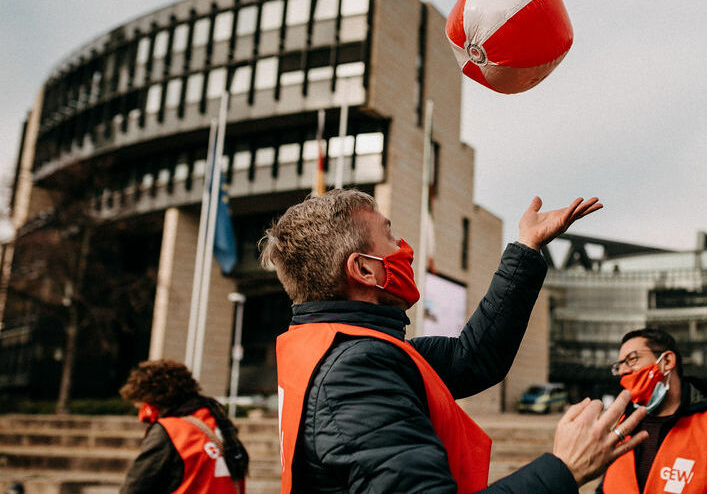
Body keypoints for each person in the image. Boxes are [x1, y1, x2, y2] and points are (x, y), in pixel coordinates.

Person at [262, 189, 648, 494]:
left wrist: (526, 247)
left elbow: (474, 357)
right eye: (389, 237)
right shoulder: (354, 371)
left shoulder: (344, 349)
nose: (404, 249)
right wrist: (565, 468)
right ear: (363, 269)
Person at [598, 328, 707, 494]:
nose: (622, 371)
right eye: (618, 366)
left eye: (632, 359)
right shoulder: (622, 427)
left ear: (667, 361)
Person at [118, 359, 248, 494]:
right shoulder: (219, 424)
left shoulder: (172, 431)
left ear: (154, 401)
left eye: (142, 406)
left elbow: (135, 487)